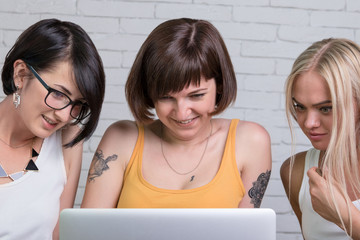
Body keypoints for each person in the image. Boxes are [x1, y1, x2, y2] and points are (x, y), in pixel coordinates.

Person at [81, 18, 271, 209]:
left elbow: (248, 232)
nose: (181, 113)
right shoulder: (121, 139)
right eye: (165, 97)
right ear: (149, 92)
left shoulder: (251, 142)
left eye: (196, 95)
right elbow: (86, 232)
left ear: (219, 86)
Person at [0, 19, 105, 240]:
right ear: (20, 74)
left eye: (79, 104)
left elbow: (58, 236)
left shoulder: (68, 141)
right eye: (58, 94)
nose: (65, 116)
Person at [280, 38, 360, 239]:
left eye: (325, 108)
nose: (309, 123)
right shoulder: (296, 172)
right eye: (300, 107)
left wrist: (346, 217)